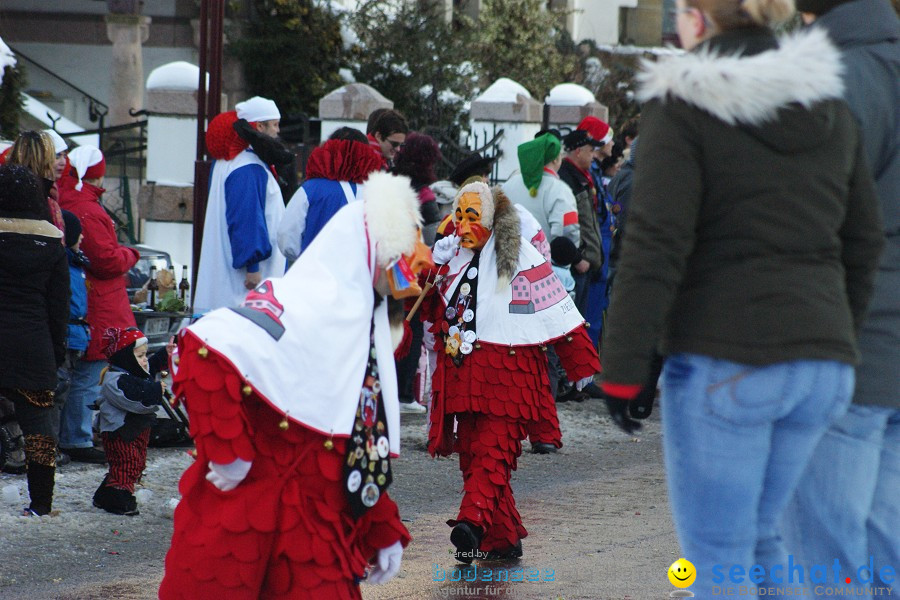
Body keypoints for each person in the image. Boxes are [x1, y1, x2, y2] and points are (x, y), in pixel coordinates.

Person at [600, 0, 884, 596]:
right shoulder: (824, 99)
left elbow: (655, 244)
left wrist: (625, 371)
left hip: (727, 355)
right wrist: (837, 338)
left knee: (720, 559)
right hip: (821, 362)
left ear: (697, 19)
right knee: (763, 540)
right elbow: (862, 238)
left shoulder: (685, 101)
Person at [159, 171, 430, 599]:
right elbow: (206, 344)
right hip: (241, 519)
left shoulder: (360, 337)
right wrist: (228, 451)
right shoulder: (295, 305)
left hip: (313, 535)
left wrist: (381, 528)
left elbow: (358, 446)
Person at [784, 0, 899, 590]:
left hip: (842, 352)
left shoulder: (831, 80)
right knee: (887, 552)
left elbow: (799, 230)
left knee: (825, 559)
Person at [422, 182, 599, 561]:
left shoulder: (524, 256)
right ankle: (501, 538)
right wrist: (432, 268)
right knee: (472, 453)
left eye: (474, 217)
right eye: (459, 216)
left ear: (490, 219)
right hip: (463, 372)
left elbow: (557, 308)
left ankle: (470, 523)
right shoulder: (451, 258)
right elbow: (428, 311)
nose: (464, 225)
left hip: (511, 372)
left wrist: (581, 366)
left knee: (493, 451)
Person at [58, 145, 138, 464]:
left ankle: (76, 432)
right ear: (97, 173)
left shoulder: (68, 198)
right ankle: (76, 437)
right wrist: (130, 254)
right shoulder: (87, 207)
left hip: (87, 295)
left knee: (84, 369)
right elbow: (104, 259)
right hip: (100, 298)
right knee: (91, 370)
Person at [0, 164, 69, 516]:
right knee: (39, 428)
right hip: (33, 344)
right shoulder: (53, 240)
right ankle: (41, 503)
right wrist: (56, 351)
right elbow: (59, 307)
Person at [194, 97, 286, 313]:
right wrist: (252, 267)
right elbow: (246, 217)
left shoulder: (228, 161)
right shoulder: (248, 166)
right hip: (246, 280)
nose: (278, 131)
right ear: (259, 126)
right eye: (274, 124)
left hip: (228, 270)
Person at [391, 132, 444, 415]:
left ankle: (391, 388)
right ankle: (405, 394)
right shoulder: (425, 195)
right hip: (414, 270)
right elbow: (432, 238)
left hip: (390, 265)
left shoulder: (391, 182)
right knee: (412, 327)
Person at [92, 327, 170, 516]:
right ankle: (119, 499)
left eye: (145, 355)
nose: (145, 360)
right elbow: (134, 397)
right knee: (126, 462)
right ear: (125, 358)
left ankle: (105, 494)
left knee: (134, 462)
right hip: (120, 432)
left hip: (135, 430)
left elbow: (148, 368)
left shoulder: (131, 373)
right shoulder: (116, 380)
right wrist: (155, 390)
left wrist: (164, 356)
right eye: (140, 356)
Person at [277, 127, 382, 261]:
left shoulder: (312, 188)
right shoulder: (377, 192)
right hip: (359, 276)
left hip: (314, 271)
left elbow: (287, 236)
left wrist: (304, 257)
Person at [51, 210, 90, 466]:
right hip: (66, 336)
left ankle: (54, 445)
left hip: (75, 336)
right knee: (56, 393)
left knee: (62, 393)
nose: (83, 237)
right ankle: (49, 449)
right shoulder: (64, 263)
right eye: (79, 233)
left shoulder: (75, 262)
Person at [501, 133, 582, 252]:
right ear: (555, 159)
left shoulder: (508, 185)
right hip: (544, 263)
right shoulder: (560, 190)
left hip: (510, 260)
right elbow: (568, 231)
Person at [558, 126, 606, 316]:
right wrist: (578, 257)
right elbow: (566, 226)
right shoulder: (567, 179)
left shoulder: (583, 177)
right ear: (578, 151)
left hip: (587, 265)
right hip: (576, 267)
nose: (594, 156)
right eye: (590, 150)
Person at [5, 130, 65, 236]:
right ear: (43, 160)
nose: (63, 162)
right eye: (56, 156)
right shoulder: (36, 198)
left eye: (64, 156)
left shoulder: (9, 186)